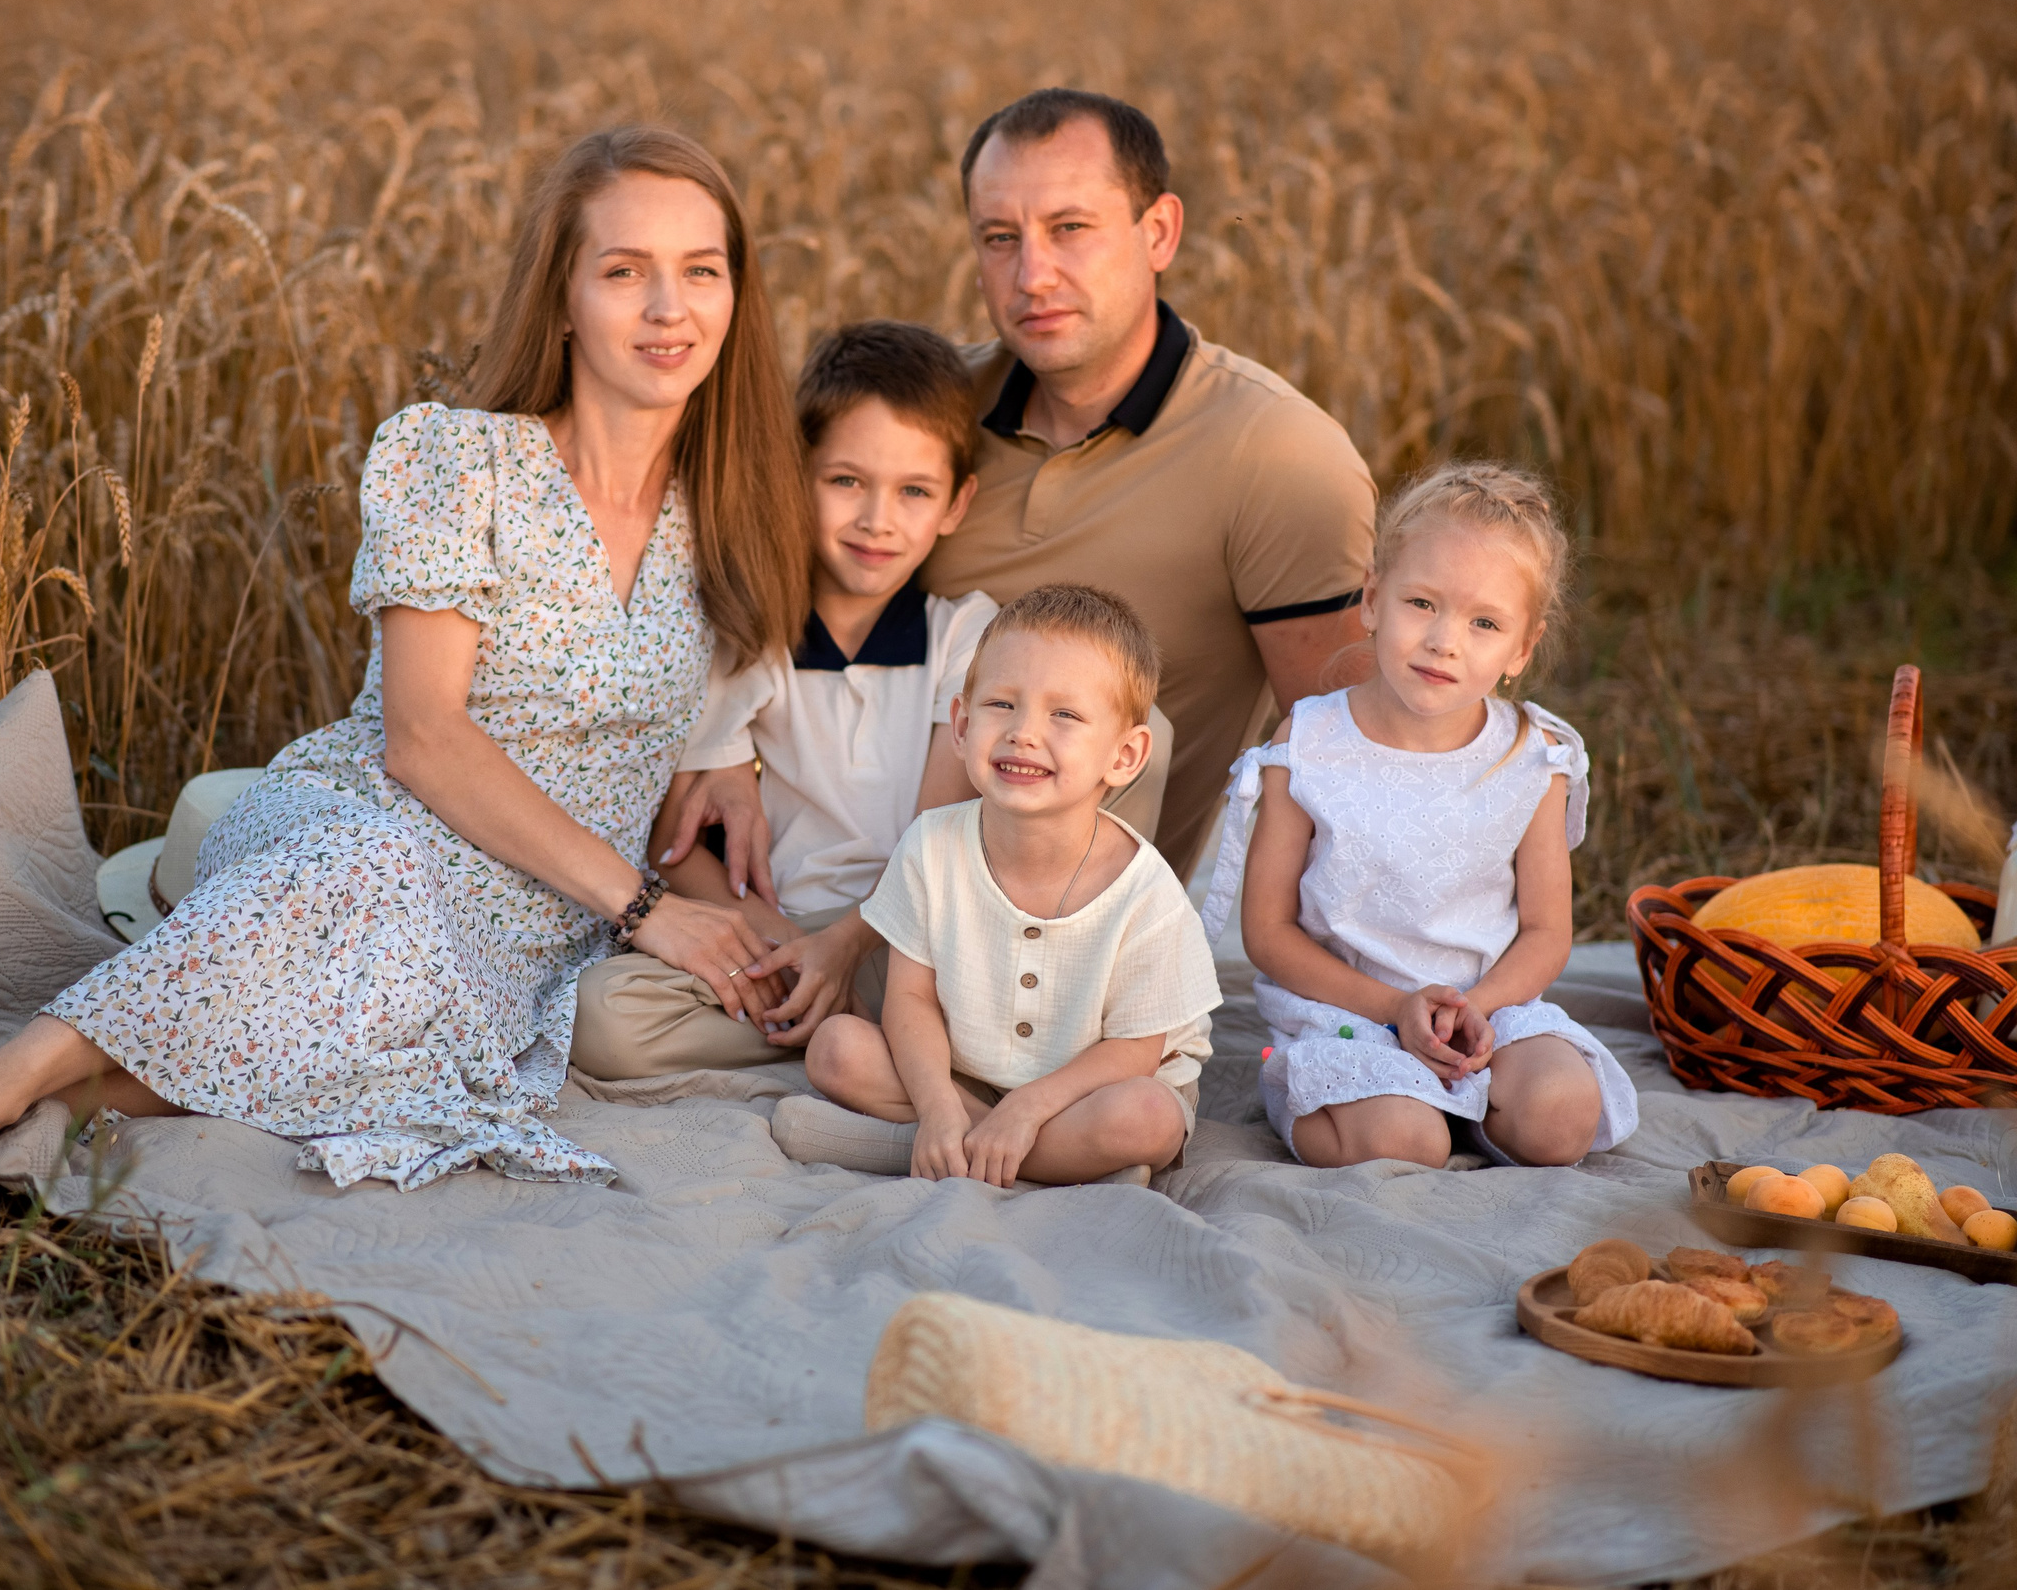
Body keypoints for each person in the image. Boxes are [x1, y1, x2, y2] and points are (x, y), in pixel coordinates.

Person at [0, 126, 812, 1210]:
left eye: (702, 271)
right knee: (369, 892)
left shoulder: (732, 518)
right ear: (560, 300)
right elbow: (423, 738)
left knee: (389, 1031)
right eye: (623, 271)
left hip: (528, 926)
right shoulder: (455, 459)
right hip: (361, 826)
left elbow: (694, 742)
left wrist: (753, 849)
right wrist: (647, 909)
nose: (669, 308)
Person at [664, 87, 1378, 901]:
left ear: (1160, 232)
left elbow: (1347, 765)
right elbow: (743, 572)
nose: (1033, 274)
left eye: (1070, 228)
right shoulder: (925, 422)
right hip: (845, 879)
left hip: (1072, 911)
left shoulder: (1279, 457)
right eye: (1000, 239)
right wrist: (717, 745)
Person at [570, 321, 997, 1080]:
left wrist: (844, 948)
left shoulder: (965, 635)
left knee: (994, 1003)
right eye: (845, 481)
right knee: (602, 1018)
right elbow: (676, 835)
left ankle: (850, 1031)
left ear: (956, 503)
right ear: (795, 475)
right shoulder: (750, 634)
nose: (877, 519)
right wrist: (782, 947)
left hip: (909, 933)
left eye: (914, 492)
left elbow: (936, 842)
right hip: (779, 927)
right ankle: (847, 1034)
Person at [1199, 464, 1640, 1168]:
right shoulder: (1310, 743)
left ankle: (1464, 1103)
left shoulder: (1535, 757)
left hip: (1487, 1013)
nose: (1445, 640)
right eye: (1422, 603)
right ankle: (1348, 1101)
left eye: (1485, 622)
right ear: (1373, 598)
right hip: (1348, 1010)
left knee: (1562, 1116)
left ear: (1521, 648)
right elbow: (1268, 931)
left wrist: (1476, 1008)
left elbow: (1547, 931)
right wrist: (1394, 1008)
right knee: (1405, 1145)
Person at [776, 584, 1219, 1187]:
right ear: (960, 724)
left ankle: (920, 1148)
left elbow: (1134, 1052)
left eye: (1064, 714)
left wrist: (1029, 1108)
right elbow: (910, 1000)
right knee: (836, 1049)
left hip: (1091, 1089)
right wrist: (936, 1106)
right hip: (966, 1075)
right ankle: (1003, 1150)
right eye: (1001, 704)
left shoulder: (1144, 893)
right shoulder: (932, 846)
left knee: (1147, 1120)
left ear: (1124, 755)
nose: (1023, 733)